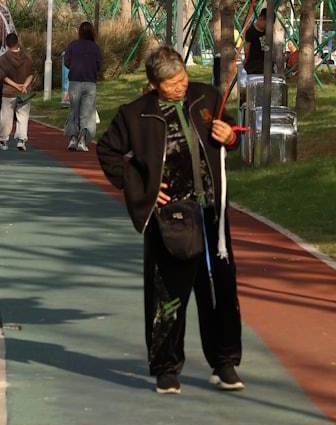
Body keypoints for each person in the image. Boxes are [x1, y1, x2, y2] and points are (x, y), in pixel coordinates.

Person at [96, 44, 242, 395]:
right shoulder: (135, 115)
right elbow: (108, 151)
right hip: (169, 218)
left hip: (211, 213)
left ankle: (224, 362)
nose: (180, 87)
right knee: (168, 294)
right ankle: (166, 367)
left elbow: (229, 131)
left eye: (182, 79)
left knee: (220, 288)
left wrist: (230, 136)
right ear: (153, 84)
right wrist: (142, 187)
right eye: (171, 83)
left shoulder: (207, 97)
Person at [63, 20, 103, 152]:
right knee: (87, 112)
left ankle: (72, 138)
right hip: (90, 82)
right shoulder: (95, 47)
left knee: (74, 111)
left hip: (75, 81)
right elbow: (99, 64)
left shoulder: (72, 45)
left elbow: (67, 62)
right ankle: (82, 139)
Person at [0, 32, 35, 151]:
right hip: (24, 92)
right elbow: (31, 73)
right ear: (18, 42)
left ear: (6, 44)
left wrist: (15, 85)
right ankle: (21, 140)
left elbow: (3, 76)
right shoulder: (27, 57)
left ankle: (2, 140)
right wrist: (24, 85)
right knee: (23, 115)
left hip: (9, 91)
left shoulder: (3, 58)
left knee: (6, 117)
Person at [243, 8, 267, 75]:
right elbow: (247, 46)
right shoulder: (251, 31)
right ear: (261, 19)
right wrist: (246, 58)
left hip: (265, 61)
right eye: (266, 24)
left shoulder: (267, 31)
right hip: (254, 62)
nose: (267, 26)